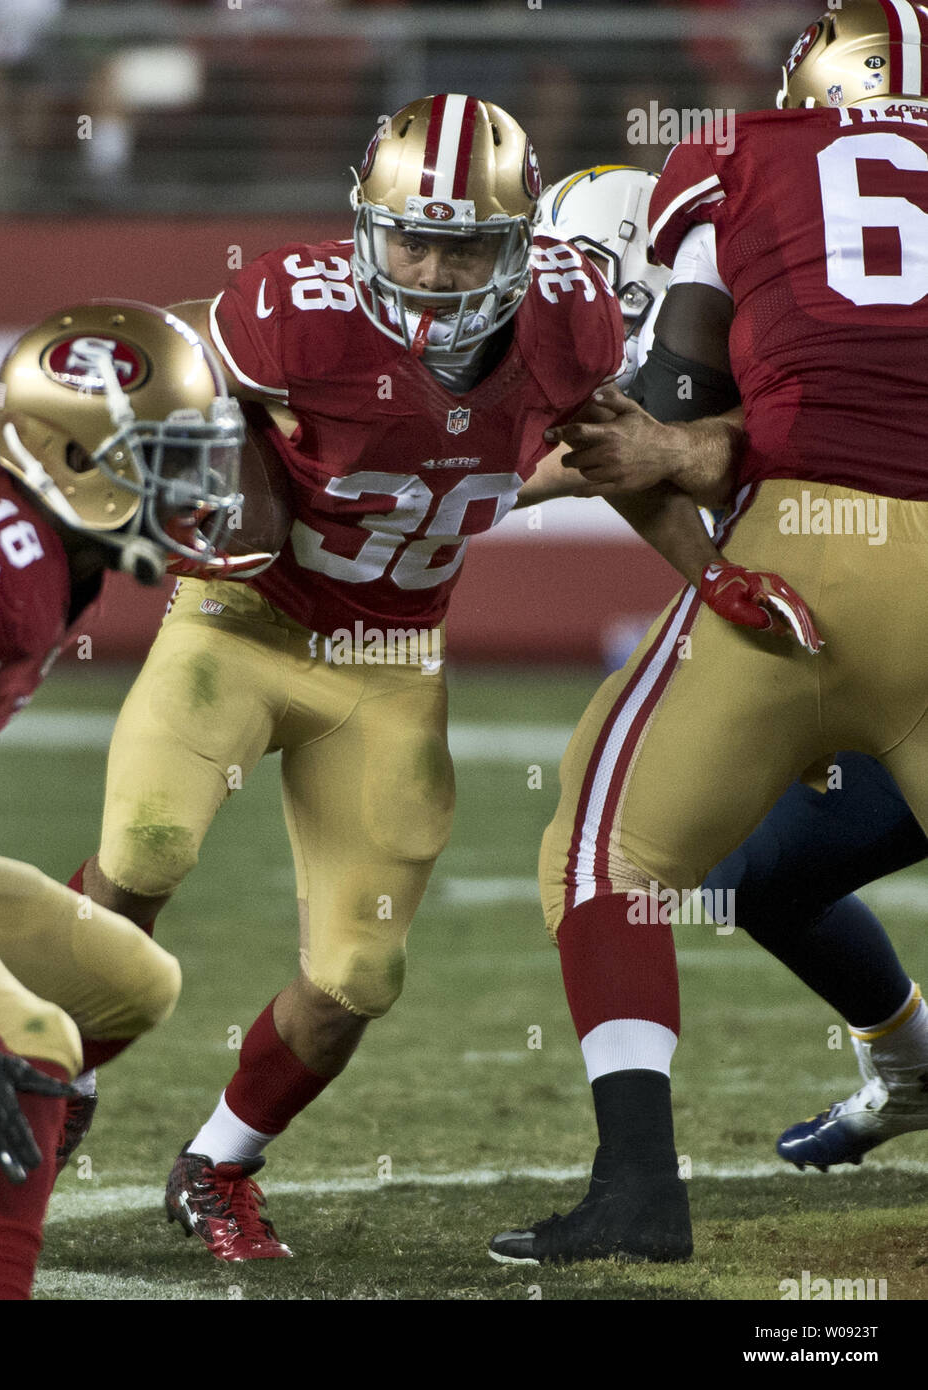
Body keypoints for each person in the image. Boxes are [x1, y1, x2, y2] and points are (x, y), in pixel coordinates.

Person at [55, 96, 810, 1265]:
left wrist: (713, 578)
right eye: (410, 234)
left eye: (465, 242)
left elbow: (620, 462)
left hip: (394, 661)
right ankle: (53, 1067)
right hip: (244, 623)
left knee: (359, 974)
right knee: (149, 847)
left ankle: (218, 1164)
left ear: (522, 244)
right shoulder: (296, 309)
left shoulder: (570, 317)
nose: (431, 264)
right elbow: (157, 357)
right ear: (368, 224)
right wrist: (216, 480)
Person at [490, 0, 928, 1266]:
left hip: (816, 555)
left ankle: (638, 1187)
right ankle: (905, 1067)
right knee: (760, 877)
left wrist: (647, 434)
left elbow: (686, 391)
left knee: (604, 851)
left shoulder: (738, 149)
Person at [0, 299, 252, 1299]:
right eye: (167, 458)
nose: (197, 487)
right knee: (15, 1044)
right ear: (76, 463)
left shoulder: (46, 549)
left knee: (123, 978)